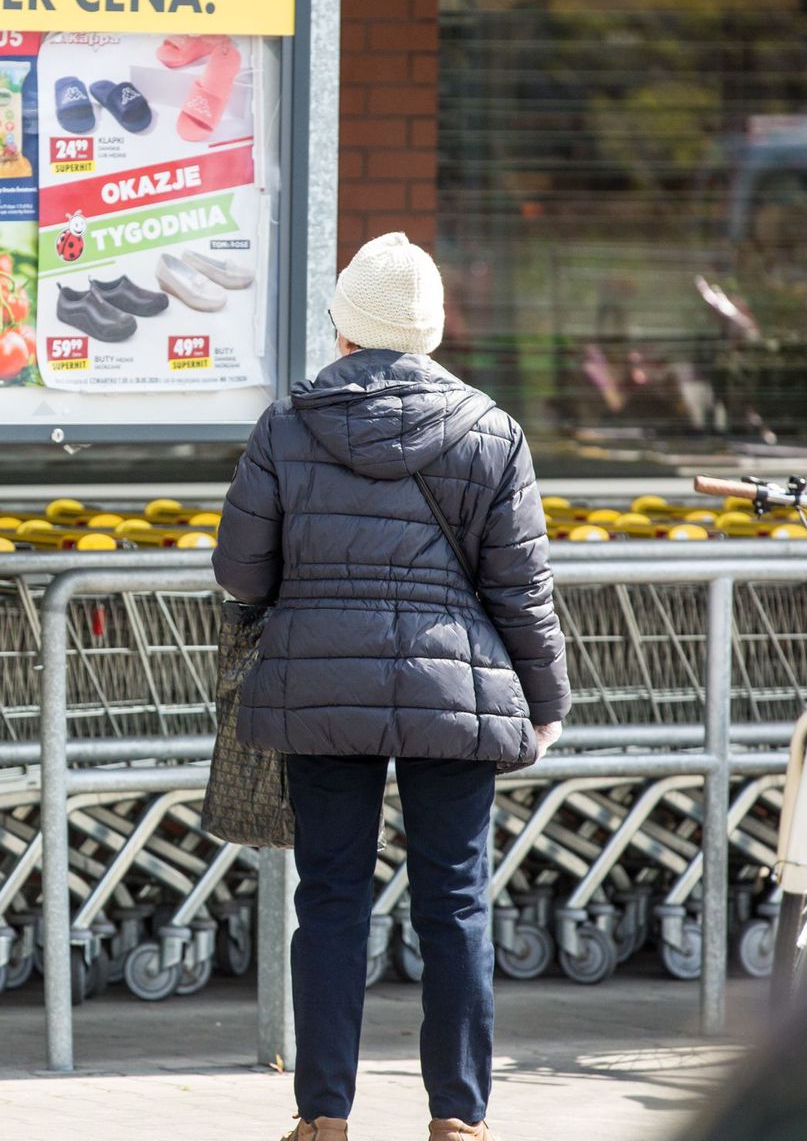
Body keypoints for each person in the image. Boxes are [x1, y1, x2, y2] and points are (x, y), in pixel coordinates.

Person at [213, 232, 570, 1141]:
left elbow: (240, 573)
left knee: (331, 899)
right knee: (455, 904)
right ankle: (458, 1120)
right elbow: (521, 589)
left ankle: (323, 1119)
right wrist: (547, 702)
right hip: (456, 694)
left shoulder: (287, 426)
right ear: (432, 331)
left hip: (320, 693)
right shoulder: (492, 432)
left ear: (344, 329)